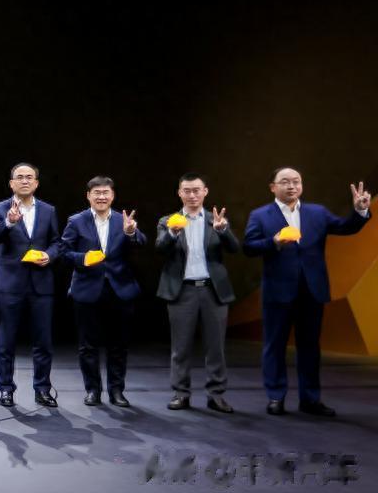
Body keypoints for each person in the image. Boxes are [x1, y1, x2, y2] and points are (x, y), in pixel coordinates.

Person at [243, 168, 370, 417]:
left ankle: (310, 399)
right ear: (273, 187)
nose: (291, 186)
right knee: (274, 346)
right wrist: (273, 242)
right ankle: (276, 397)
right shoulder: (260, 215)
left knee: (310, 347)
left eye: (296, 181)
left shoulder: (317, 212)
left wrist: (359, 211)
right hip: (277, 292)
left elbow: (346, 228)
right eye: (285, 182)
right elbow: (248, 247)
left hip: (312, 290)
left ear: (301, 185)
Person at [59, 176, 146, 407]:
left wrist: (131, 232)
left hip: (120, 290)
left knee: (119, 345)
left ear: (113, 195)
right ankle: (93, 390)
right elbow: (64, 252)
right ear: (88, 195)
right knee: (88, 345)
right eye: (96, 192)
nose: (101, 196)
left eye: (105, 192)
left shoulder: (123, 219)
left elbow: (141, 243)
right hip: (87, 290)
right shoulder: (76, 221)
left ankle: (117, 391)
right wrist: (83, 258)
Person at [155, 172, 238, 413]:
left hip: (213, 290)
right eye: (187, 191)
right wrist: (172, 233)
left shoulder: (216, 219)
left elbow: (235, 248)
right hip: (182, 291)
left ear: (205, 192)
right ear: (179, 193)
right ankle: (181, 393)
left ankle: (216, 395)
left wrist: (224, 230)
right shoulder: (168, 220)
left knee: (216, 347)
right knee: (180, 347)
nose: (192, 195)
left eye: (196, 190)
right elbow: (159, 247)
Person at [0, 163, 61, 408]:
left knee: (43, 342)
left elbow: (57, 242)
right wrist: (9, 223)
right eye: (20, 177)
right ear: (11, 183)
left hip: (41, 284)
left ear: (36, 183)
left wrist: (49, 255)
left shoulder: (48, 210)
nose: (25, 181)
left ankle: (43, 389)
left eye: (29, 177)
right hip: (9, 284)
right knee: (6, 341)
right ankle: (6, 389)